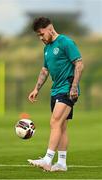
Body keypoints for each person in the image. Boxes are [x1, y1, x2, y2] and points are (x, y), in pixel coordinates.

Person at [28, 17, 84, 172]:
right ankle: (61, 163)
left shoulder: (66, 42)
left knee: (54, 122)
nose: (40, 38)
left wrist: (74, 87)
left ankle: (47, 159)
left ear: (50, 28)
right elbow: (45, 70)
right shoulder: (47, 48)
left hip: (67, 88)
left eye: (41, 34)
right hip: (56, 90)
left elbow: (79, 63)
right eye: (38, 35)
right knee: (62, 126)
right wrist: (36, 89)